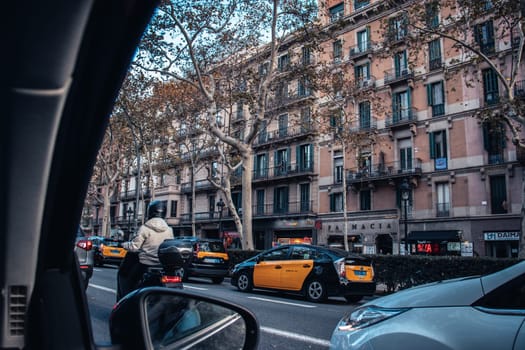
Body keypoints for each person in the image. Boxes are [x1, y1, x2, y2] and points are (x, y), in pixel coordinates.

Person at [118, 200, 174, 299]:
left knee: (128, 280)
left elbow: (135, 247)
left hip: (145, 264)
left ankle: (127, 301)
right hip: (162, 265)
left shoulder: (145, 228)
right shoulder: (169, 230)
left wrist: (123, 244)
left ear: (150, 212)